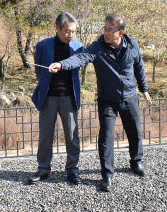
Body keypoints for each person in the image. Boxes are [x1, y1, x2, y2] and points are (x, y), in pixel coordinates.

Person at [49, 14, 152, 192]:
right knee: (106, 137)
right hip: (107, 100)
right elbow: (80, 58)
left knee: (134, 131)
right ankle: (107, 174)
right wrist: (61, 64)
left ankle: (136, 161)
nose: (105, 32)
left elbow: (139, 67)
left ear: (120, 32)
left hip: (129, 97)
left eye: (110, 30)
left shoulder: (133, 45)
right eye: (105, 29)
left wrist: (144, 90)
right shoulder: (97, 48)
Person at [30, 12, 83, 185]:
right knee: (45, 136)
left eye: (73, 31)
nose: (71, 35)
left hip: (69, 96)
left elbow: (77, 66)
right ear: (57, 28)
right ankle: (43, 169)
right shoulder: (43, 45)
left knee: (72, 136)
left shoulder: (78, 46)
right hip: (48, 97)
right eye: (67, 31)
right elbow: (39, 72)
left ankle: (72, 170)